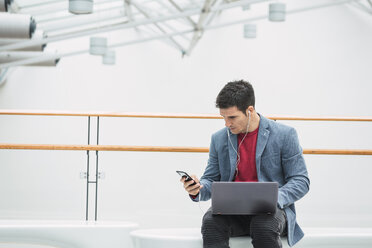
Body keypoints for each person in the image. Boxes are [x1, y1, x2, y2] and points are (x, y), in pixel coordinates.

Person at [180, 80, 310, 248]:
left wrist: (274, 199)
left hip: (270, 211)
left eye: (232, 117)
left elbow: (301, 181)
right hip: (232, 211)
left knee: (263, 225)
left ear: (250, 110)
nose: (227, 124)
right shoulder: (219, 138)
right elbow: (211, 180)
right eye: (223, 117)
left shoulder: (285, 135)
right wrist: (198, 188)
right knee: (211, 222)